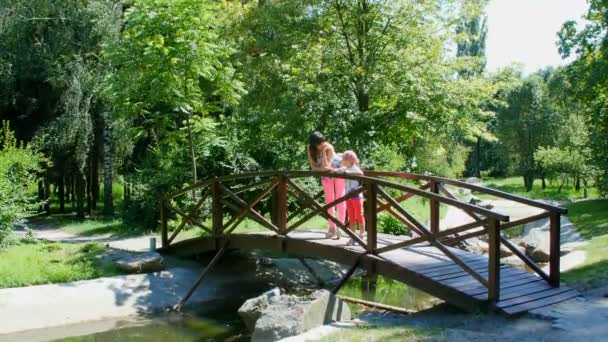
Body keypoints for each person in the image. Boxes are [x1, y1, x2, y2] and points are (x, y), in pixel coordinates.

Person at [307, 131, 346, 240]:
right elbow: (314, 168)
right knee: (329, 201)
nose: (321, 144)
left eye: (322, 141)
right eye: (319, 143)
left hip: (337, 171)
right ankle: (332, 228)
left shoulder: (328, 147)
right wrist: (320, 169)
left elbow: (325, 166)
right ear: (313, 143)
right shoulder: (310, 149)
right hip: (326, 175)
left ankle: (341, 227)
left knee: (340, 199)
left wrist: (323, 152)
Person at [341, 150, 365, 245]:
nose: (342, 161)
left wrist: (347, 173)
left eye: (344, 159)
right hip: (348, 196)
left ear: (350, 160)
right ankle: (353, 236)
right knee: (351, 217)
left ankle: (362, 235)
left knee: (359, 215)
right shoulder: (346, 168)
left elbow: (361, 174)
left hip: (357, 196)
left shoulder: (354, 168)